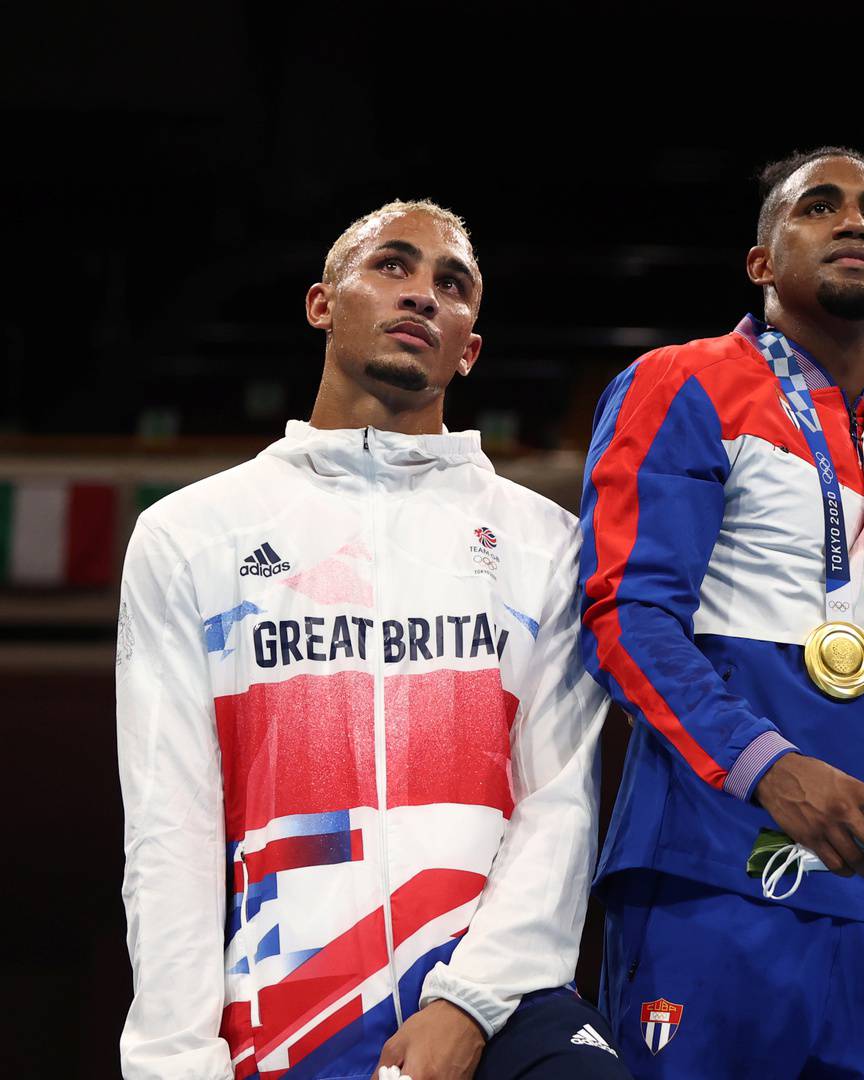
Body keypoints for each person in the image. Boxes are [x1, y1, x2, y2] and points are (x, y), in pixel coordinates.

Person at [116, 200, 625, 1080]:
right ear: (323, 303)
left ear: (469, 348)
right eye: (392, 267)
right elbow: (172, 829)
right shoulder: (191, 536)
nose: (422, 294)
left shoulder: (547, 544)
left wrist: (468, 1005)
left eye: (451, 284)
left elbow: (561, 803)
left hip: (497, 1002)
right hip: (288, 1015)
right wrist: (173, 1061)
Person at [578, 147, 864, 1078]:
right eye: (820, 206)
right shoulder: (685, 382)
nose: (855, 221)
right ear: (762, 262)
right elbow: (625, 615)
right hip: (715, 875)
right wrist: (768, 768)